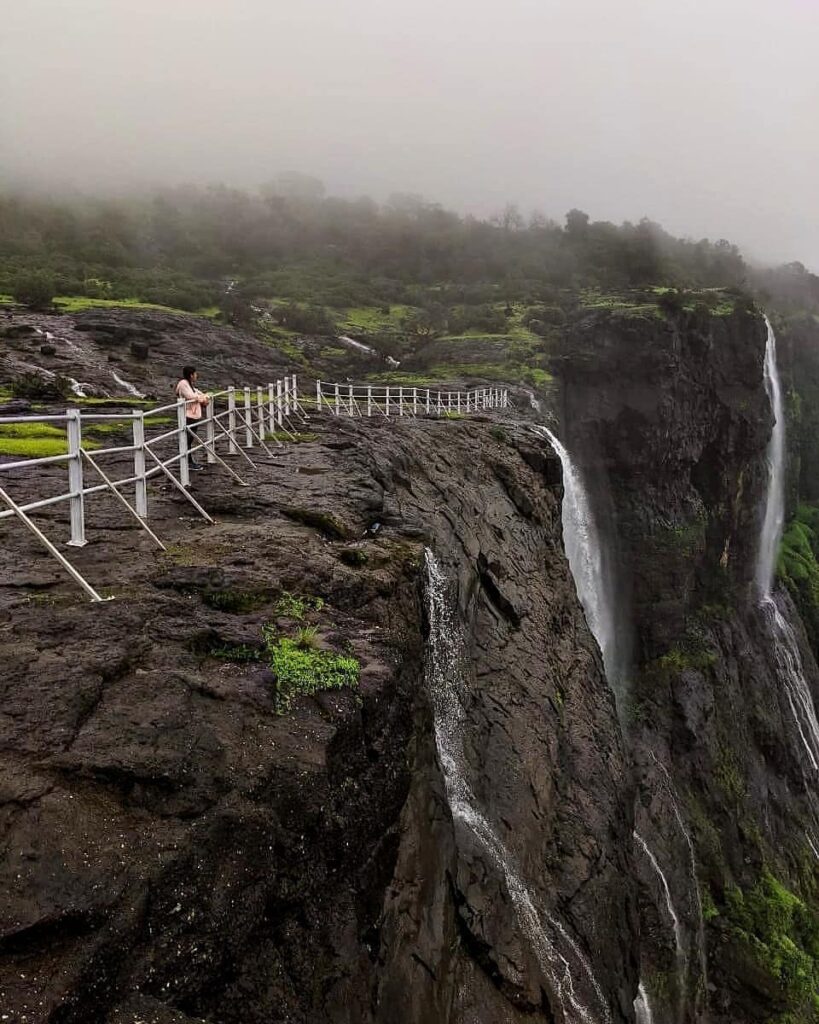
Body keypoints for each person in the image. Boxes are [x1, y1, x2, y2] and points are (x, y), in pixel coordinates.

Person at [174, 365, 210, 471]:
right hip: (187, 415)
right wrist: (203, 398)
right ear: (191, 375)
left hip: (192, 415)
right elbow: (192, 396)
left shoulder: (190, 385)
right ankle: (187, 462)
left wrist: (204, 397)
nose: (196, 376)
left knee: (189, 439)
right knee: (187, 439)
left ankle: (188, 461)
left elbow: (197, 393)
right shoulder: (183, 384)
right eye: (195, 374)